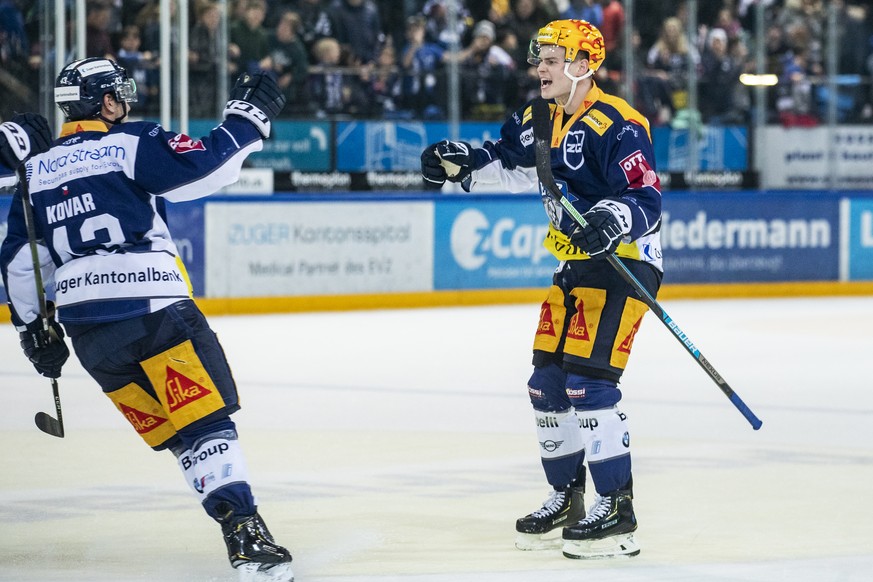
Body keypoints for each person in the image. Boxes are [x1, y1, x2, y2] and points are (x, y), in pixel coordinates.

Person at [0, 57, 292, 580]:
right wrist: (249, 118)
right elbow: (208, 167)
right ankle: (245, 536)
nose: (126, 101)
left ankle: (239, 525)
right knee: (204, 425)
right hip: (155, 312)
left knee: (183, 438)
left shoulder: (35, 171)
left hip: (93, 340)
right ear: (106, 102)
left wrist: (35, 335)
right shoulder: (130, 142)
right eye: (119, 93)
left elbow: (23, 265)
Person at [420, 19, 662, 559]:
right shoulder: (537, 116)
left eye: (552, 59)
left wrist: (612, 217)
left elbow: (646, 199)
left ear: (584, 64)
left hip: (623, 265)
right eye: (540, 59)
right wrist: (457, 164)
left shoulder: (620, 123)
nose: (540, 69)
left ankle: (617, 511)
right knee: (547, 384)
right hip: (575, 268)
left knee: (589, 385)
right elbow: (507, 162)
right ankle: (566, 497)